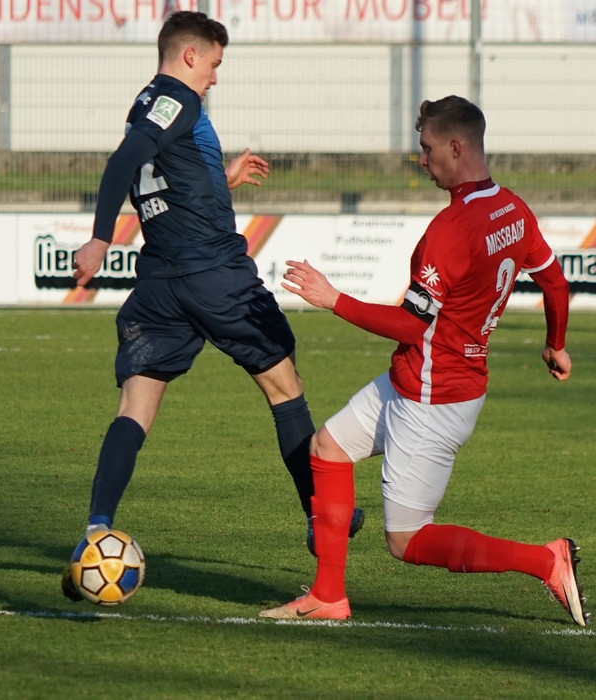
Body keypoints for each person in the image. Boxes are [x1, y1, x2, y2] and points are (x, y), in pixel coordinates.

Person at [62, 11, 362, 601]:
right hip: (216, 276)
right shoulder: (178, 100)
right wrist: (99, 238)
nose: (216, 77)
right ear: (190, 55)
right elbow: (123, 163)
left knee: (135, 407)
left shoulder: (146, 102)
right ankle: (316, 514)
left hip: (160, 284)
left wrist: (220, 179)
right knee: (284, 386)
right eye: (215, 64)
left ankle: (96, 529)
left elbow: (164, 181)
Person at [259, 95, 588, 627]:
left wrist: (333, 298)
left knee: (407, 540)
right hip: (420, 377)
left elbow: (412, 325)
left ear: (456, 147)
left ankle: (545, 560)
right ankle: (328, 596)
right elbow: (554, 280)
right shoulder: (512, 208)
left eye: (427, 148)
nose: (422, 159)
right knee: (328, 447)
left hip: (433, 396)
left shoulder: (451, 229)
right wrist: (556, 343)